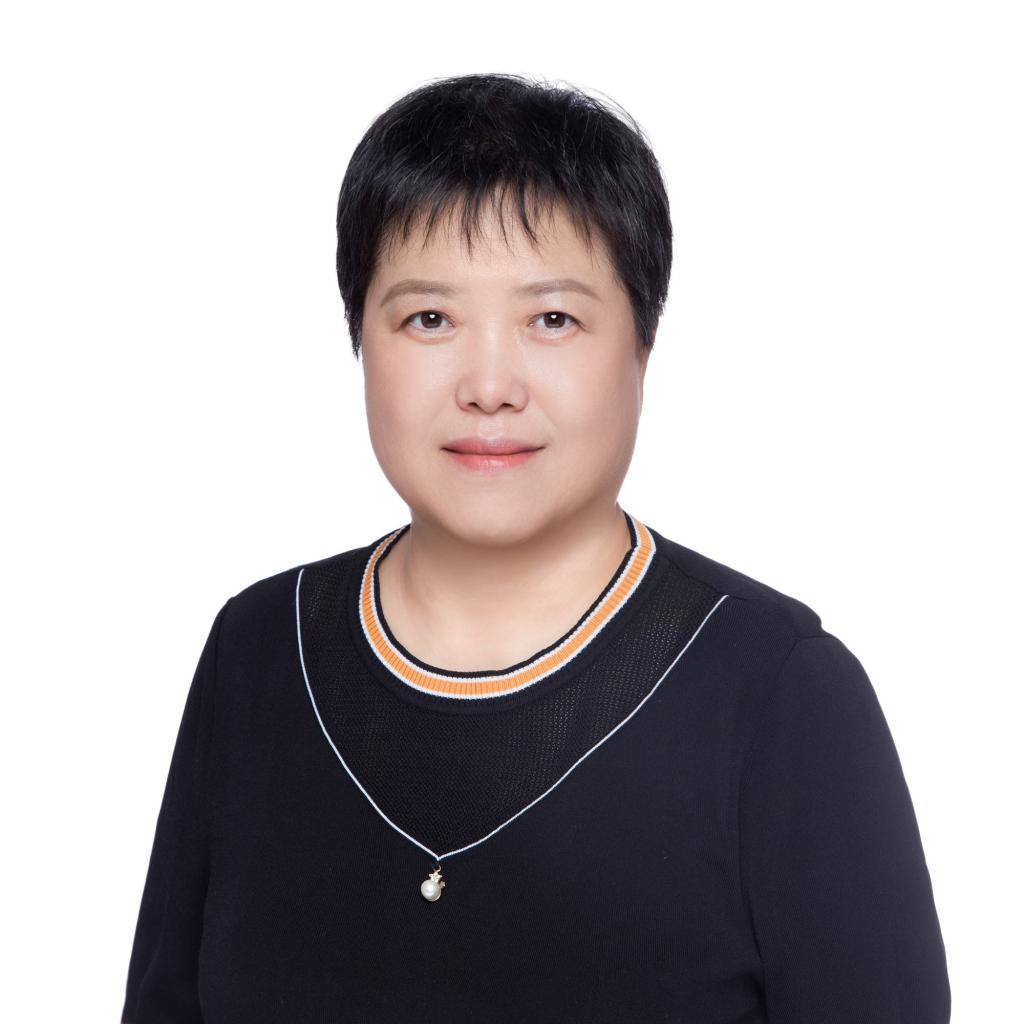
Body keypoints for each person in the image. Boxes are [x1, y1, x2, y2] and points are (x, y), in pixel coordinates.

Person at [120, 73, 951, 1023]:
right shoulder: (259, 651)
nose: (488, 384)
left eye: (552, 319)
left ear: (642, 345)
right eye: (429, 319)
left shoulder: (778, 692)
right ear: (360, 339)